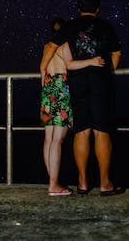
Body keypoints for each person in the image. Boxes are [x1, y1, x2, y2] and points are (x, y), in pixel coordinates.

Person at [47, 0, 124, 196]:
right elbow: (116, 53)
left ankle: (82, 183)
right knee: (101, 131)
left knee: (81, 130)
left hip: (77, 83)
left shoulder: (69, 27)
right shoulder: (106, 26)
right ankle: (105, 184)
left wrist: (43, 69)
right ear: (97, 9)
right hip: (100, 81)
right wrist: (109, 72)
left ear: (78, 9)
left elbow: (51, 47)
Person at [39, 17, 104, 196]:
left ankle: (52, 181)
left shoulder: (46, 47)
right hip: (60, 86)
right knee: (58, 140)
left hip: (48, 87)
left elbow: (42, 70)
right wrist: (92, 61)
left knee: (49, 139)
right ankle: (54, 185)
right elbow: (69, 64)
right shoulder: (64, 44)